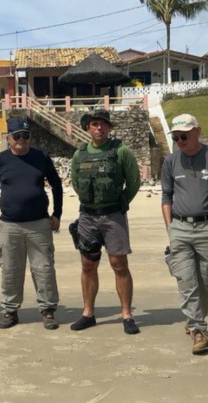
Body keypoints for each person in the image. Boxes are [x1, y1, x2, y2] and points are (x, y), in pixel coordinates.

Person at [160, 114, 208, 353]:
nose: (180, 141)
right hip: (179, 229)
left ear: (197, 131)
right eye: (176, 137)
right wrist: (170, 227)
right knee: (186, 280)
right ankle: (198, 329)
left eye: (184, 136)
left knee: (207, 280)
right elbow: (166, 195)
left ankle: (194, 318)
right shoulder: (170, 161)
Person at [69, 109, 142, 335]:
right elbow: (75, 182)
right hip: (87, 216)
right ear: (88, 128)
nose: (99, 127)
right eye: (94, 124)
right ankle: (88, 314)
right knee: (87, 264)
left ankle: (127, 314)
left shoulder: (121, 151)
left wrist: (120, 202)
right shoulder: (79, 154)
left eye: (103, 124)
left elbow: (134, 182)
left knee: (119, 264)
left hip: (113, 216)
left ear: (109, 127)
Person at [0, 118, 62, 330]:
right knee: (10, 269)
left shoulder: (41, 157)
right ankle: (10, 311)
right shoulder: (0, 160)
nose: (22, 139)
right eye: (17, 135)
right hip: (9, 225)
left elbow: (56, 185)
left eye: (26, 135)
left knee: (44, 269)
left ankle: (47, 310)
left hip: (39, 223)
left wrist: (57, 214)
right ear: (8, 138)